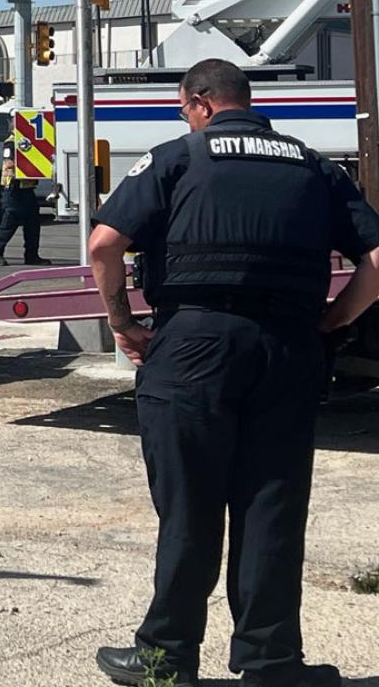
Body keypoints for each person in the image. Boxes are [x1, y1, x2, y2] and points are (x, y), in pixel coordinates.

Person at [87, 59, 379, 687]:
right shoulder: (314, 167)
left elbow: (104, 243)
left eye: (183, 110)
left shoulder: (176, 158)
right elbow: (378, 260)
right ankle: (271, 664)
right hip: (288, 350)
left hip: (193, 346)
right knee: (272, 505)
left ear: (200, 102)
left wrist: (123, 323)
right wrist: (332, 322)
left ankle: (165, 659)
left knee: (189, 507)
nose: (184, 119)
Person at [0, 154, 50, 266]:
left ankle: (32, 256)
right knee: (9, 222)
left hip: (27, 188)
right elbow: (9, 162)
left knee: (33, 223)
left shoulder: (31, 144)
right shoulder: (11, 145)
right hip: (13, 188)